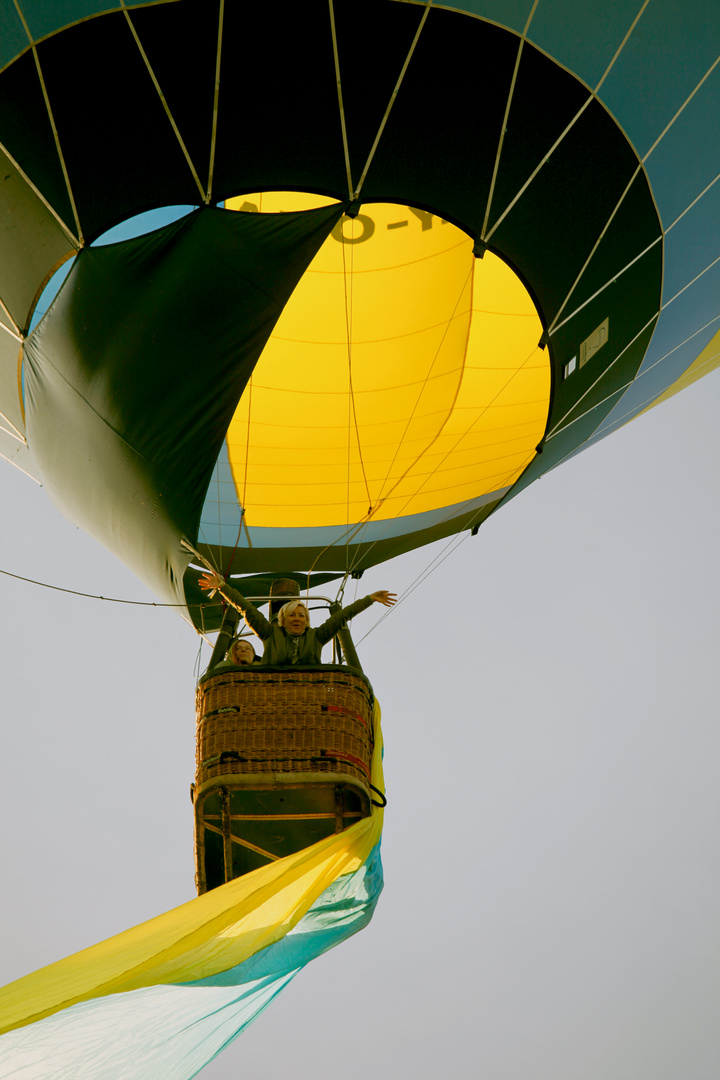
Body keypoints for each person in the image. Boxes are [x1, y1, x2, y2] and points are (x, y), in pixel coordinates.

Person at [198, 571, 396, 666]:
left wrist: (370, 599)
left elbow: (343, 616)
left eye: (301, 616)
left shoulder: (317, 636)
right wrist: (222, 586)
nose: (297, 619)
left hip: (306, 695)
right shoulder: (269, 633)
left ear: (307, 621)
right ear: (282, 620)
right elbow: (246, 609)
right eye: (292, 615)